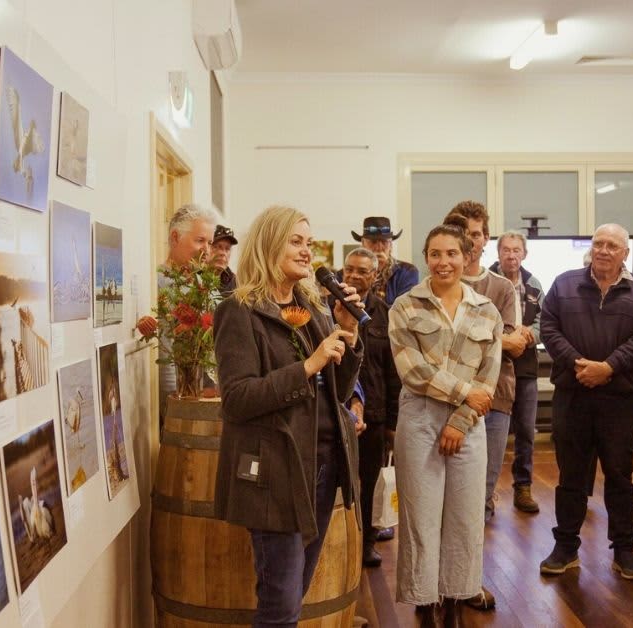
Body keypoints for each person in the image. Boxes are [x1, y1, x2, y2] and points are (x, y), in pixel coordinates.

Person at [212, 205, 365, 628]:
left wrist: (349, 337)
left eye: (308, 243)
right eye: (295, 241)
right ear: (268, 244)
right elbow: (238, 398)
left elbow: (338, 387)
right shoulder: (238, 311)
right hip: (276, 474)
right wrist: (308, 365)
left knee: (294, 594)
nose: (306, 251)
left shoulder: (312, 309)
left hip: (321, 464)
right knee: (280, 606)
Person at [389, 223, 503, 628]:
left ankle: (455, 601)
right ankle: (425, 603)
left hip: (469, 426)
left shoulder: (486, 310)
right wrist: (462, 394)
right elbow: (412, 370)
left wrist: (460, 419)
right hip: (419, 419)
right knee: (421, 518)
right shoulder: (405, 306)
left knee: (465, 518)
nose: (443, 262)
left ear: (466, 256)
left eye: (451, 253)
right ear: (426, 258)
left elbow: (489, 377)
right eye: (435, 254)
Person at [537, 224, 633, 580]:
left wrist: (608, 367)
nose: (604, 250)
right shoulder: (564, 283)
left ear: (625, 253)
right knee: (571, 473)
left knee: (620, 474)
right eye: (598, 244)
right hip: (573, 394)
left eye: (612, 246)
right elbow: (549, 328)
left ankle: (624, 550)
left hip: (619, 397)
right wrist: (579, 365)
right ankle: (566, 547)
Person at [442, 202, 523, 611]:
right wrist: (495, 338)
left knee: (479, 497)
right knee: (443, 498)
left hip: (493, 400)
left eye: (475, 233)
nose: (470, 240)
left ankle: (468, 581)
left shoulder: (502, 289)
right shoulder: (435, 284)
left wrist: (487, 338)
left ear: (484, 238)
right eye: (461, 232)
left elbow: (516, 343)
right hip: (442, 400)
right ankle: (440, 583)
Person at [339, 247, 402, 568]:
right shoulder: (328, 309)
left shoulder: (387, 315)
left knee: (372, 483)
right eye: (349, 269)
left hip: (375, 416)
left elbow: (395, 374)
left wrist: (393, 423)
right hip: (337, 414)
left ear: (374, 276)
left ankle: (367, 544)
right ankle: (339, 543)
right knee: (338, 483)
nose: (353, 276)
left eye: (362, 271)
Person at [489, 230, 544, 514]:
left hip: (525, 367)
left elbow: (544, 323)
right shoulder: (486, 282)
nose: (511, 255)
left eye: (516, 250)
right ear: (498, 253)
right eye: (506, 250)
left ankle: (523, 487)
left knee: (525, 431)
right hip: (491, 368)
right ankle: (486, 493)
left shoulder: (534, 285)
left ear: (524, 254)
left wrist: (527, 335)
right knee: (489, 432)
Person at [158, 204, 219, 400]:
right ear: (175, 237)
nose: (207, 250)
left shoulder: (205, 284)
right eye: (200, 241)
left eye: (210, 243)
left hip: (206, 396)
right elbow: (165, 346)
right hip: (177, 397)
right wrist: (171, 398)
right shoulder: (158, 283)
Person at [352, 217, 420, 305]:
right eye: (373, 242)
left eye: (384, 242)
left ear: (391, 245)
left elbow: (404, 308)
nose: (379, 248)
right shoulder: (349, 274)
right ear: (363, 244)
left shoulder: (407, 272)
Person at [211, 224, 239, 297]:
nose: (223, 253)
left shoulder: (237, 283)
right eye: (217, 247)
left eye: (227, 249)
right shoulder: (194, 278)